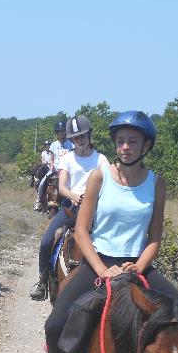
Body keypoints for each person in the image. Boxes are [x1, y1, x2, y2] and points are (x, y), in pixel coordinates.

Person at [40, 110, 178, 353]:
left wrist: (138, 267)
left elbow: (155, 237)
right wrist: (103, 270)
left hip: (138, 265)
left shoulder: (157, 184)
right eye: (120, 141)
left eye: (132, 141)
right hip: (98, 262)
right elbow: (81, 231)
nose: (125, 147)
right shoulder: (100, 176)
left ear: (147, 145)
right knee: (54, 327)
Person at [29, 115, 108, 300]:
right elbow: (63, 187)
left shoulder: (101, 160)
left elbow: (108, 185)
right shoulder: (67, 159)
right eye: (76, 137)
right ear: (72, 139)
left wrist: (90, 197)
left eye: (83, 136)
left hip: (96, 208)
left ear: (90, 135)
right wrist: (75, 196)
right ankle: (42, 280)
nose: (80, 140)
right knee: (47, 241)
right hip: (71, 207)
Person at [33, 139, 55, 211]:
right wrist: (45, 164)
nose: (47, 146)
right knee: (39, 181)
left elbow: (53, 161)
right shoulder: (43, 153)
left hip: (51, 168)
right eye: (46, 145)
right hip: (45, 168)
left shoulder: (52, 153)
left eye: (48, 145)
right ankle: (38, 202)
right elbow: (42, 161)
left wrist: (50, 164)